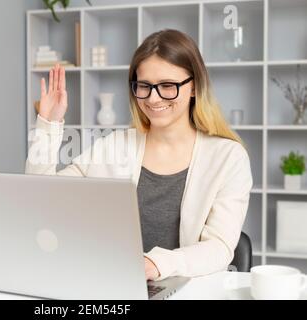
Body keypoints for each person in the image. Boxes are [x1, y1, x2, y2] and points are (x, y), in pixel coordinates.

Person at [25, 29, 252, 281]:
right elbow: (42, 197)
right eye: (144, 86)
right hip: (111, 283)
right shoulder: (113, 146)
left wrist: (154, 264)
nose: (153, 98)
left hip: (185, 288)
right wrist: (48, 124)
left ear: (194, 87)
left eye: (167, 85)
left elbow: (219, 247)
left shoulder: (228, 157)